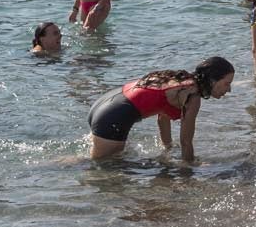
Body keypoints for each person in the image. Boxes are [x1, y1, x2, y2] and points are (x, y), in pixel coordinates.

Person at [87, 58, 236, 163]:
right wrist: (189, 168)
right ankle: (71, 174)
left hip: (106, 104)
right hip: (115, 115)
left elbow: (163, 117)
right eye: (227, 83)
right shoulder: (193, 96)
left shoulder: (180, 81)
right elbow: (186, 142)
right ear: (212, 80)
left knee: (106, 163)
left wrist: (167, 148)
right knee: (98, 165)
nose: (229, 89)